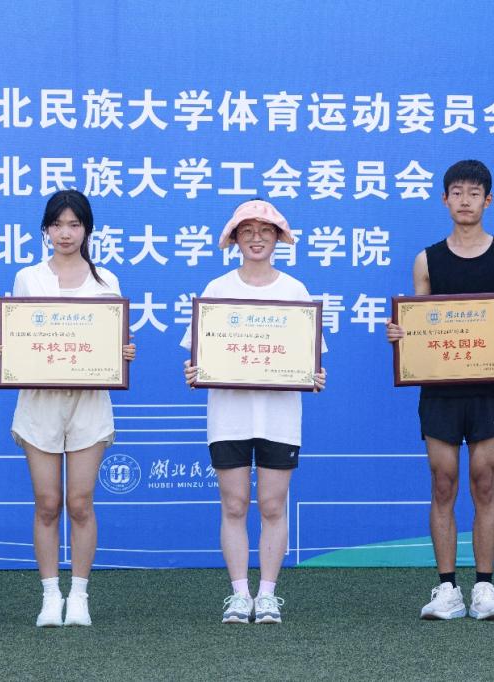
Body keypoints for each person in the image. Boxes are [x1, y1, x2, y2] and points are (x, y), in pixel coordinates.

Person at [386, 160, 494, 621]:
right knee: (443, 481)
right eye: (457, 192)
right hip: (440, 389)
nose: (465, 200)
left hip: (489, 386)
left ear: (488, 200)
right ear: (444, 199)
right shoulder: (427, 260)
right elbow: (419, 323)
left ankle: (484, 588)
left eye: (474, 193)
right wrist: (401, 335)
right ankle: (447, 588)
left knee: (484, 480)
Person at [0, 189, 136, 627]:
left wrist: (122, 353)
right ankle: (50, 595)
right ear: (46, 230)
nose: (65, 233)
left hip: (89, 402)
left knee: (81, 502)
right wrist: (5, 353)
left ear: (87, 230)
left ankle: (80, 595)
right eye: (57, 225)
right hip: (40, 403)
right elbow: (18, 335)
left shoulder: (106, 282)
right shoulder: (28, 278)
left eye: (74, 224)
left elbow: (112, 342)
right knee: (48, 502)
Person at [182, 199, 327, 624]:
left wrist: (313, 376)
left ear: (278, 238)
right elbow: (198, 356)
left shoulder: (295, 291)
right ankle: (238, 594)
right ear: (235, 239)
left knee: (273, 505)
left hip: (279, 418)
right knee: (233, 505)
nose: (256, 239)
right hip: (228, 416)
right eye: (247, 231)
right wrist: (195, 370)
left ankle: (267, 594)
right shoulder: (217, 289)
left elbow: (311, 361)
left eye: (265, 231)